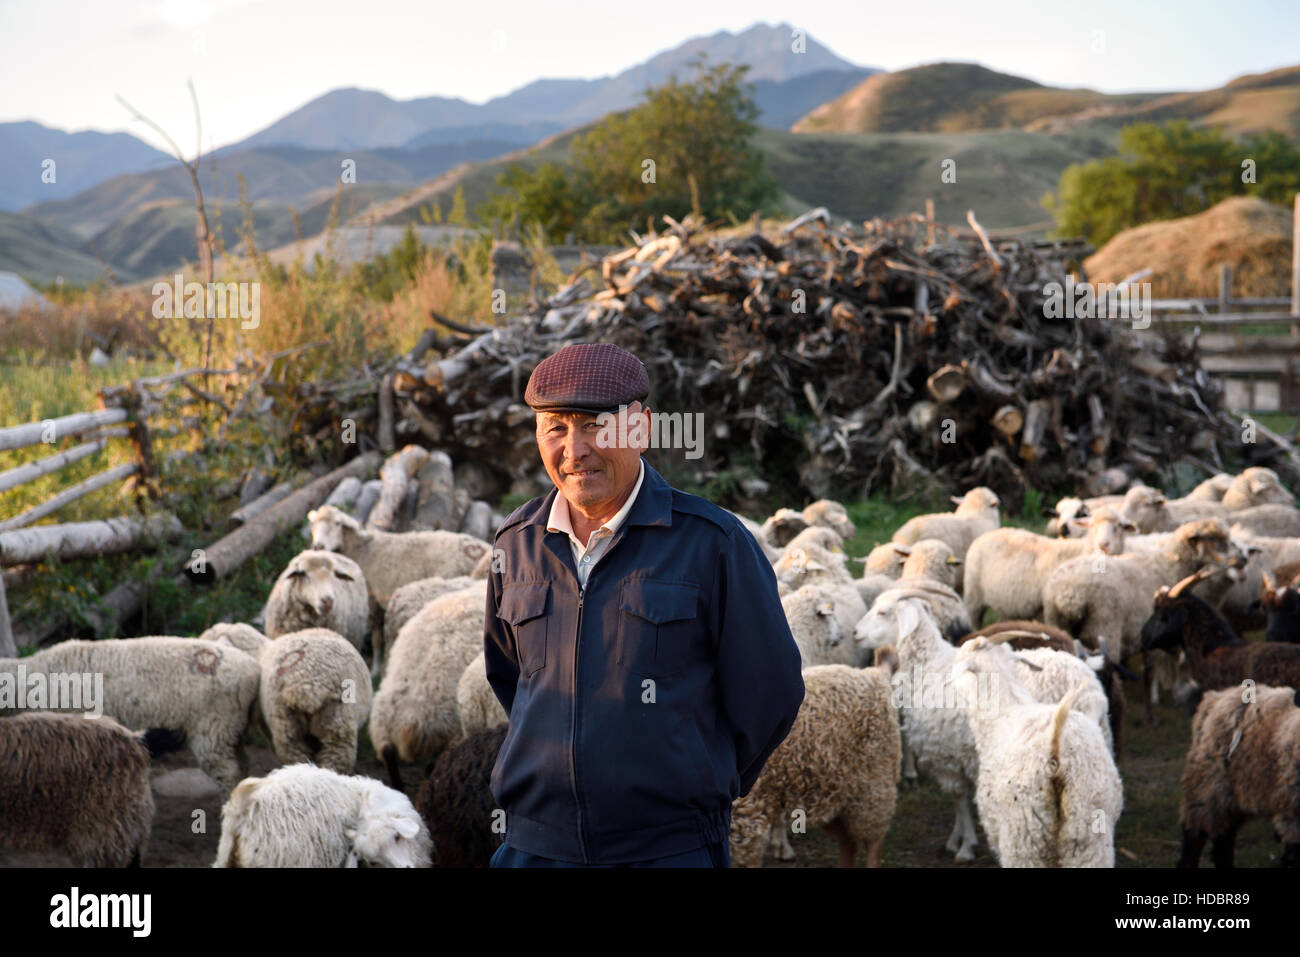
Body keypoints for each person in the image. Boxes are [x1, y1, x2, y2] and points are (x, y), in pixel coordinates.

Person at [484, 341, 805, 867]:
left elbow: (770, 692)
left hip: (668, 850)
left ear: (642, 427)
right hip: (535, 848)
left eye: (595, 427)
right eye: (556, 428)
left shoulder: (712, 544)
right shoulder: (515, 545)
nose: (575, 449)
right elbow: (510, 679)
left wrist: (696, 778)